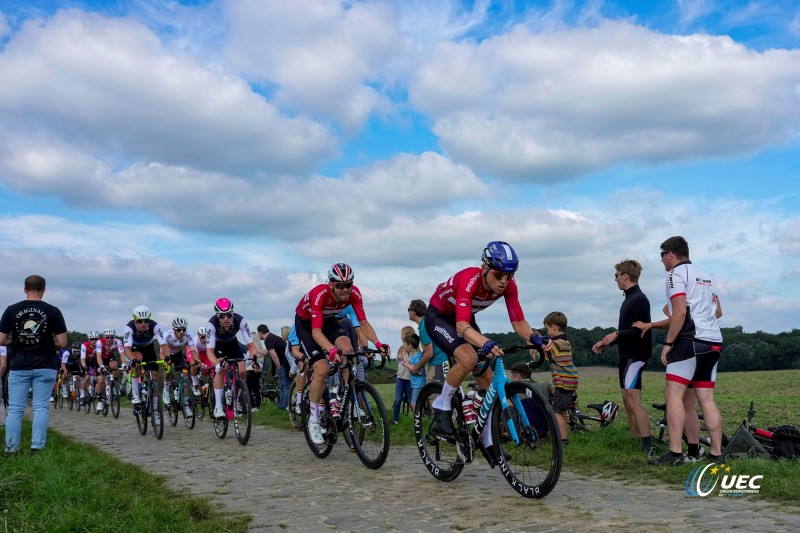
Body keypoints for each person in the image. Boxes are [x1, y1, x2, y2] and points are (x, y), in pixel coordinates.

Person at [425, 241, 539, 463]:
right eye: (499, 275)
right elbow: (461, 327)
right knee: (468, 358)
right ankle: (442, 403)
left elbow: (518, 321)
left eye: (510, 275)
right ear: (485, 268)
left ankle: (487, 439)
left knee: (487, 377)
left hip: (464, 319)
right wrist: (484, 343)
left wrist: (535, 338)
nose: (504, 281)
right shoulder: (469, 280)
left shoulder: (508, 285)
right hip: (440, 317)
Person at [634, 236, 725, 466]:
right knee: (706, 399)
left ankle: (675, 453)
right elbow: (718, 312)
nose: (662, 261)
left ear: (670, 255)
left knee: (673, 395)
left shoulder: (675, 275)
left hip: (689, 341)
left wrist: (669, 343)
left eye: (661, 256)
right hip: (713, 341)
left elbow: (680, 313)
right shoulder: (704, 275)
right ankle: (716, 454)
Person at [293, 263, 389, 445]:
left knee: (348, 350)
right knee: (321, 370)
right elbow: (316, 333)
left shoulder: (355, 294)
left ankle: (343, 393)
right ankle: (313, 419)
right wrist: (330, 350)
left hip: (329, 322)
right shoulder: (319, 294)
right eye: (340, 285)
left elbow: (363, 323)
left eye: (349, 284)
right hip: (307, 326)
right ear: (331, 284)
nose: (345, 289)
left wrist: (378, 343)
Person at [591, 259, 655, 455]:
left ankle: (647, 445)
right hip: (626, 355)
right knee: (627, 400)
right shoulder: (628, 298)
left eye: (616, 276)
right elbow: (629, 330)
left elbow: (640, 331)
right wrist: (609, 341)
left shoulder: (639, 299)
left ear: (625, 276)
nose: (615, 280)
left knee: (633, 401)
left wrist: (616, 334)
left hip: (635, 356)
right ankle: (637, 442)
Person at [0, 275, 68, 453]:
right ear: (44, 289)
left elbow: (0, 339)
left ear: (24, 289)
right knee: (40, 408)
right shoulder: (53, 311)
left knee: (15, 409)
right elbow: (62, 342)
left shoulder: (11, 310)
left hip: (19, 365)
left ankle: (11, 448)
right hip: (45, 365)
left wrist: (15, 340)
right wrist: (47, 341)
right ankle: (37, 447)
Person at [205, 298, 258, 419]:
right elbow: (209, 351)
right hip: (217, 346)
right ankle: (218, 406)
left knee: (243, 371)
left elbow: (251, 346)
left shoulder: (241, 321)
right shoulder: (211, 325)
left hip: (232, 344)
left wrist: (254, 360)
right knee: (222, 368)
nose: (226, 319)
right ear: (217, 315)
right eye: (222, 316)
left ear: (232, 314)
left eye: (229, 315)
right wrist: (216, 365)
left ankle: (239, 399)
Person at [532, 311, 577, 444]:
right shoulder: (561, 343)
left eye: (547, 329)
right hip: (566, 383)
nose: (547, 332)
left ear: (554, 327)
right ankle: (563, 437)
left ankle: (562, 441)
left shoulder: (560, 343)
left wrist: (536, 341)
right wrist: (538, 343)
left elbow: (543, 349)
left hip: (563, 384)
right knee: (561, 411)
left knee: (556, 412)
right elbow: (540, 355)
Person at [123, 305, 170, 416]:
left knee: (154, 378)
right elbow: (127, 349)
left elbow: (164, 345)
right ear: (135, 320)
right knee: (138, 360)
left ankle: (155, 411)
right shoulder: (129, 328)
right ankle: (135, 393)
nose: (143, 324)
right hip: (135, 348)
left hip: (149, 349)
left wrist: (168, 357)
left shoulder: (154, 326)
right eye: (140, 321)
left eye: (146, 321)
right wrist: (133, 360)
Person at [161, 317, 199, 418]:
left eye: (184, 329)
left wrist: (197, 360)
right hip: (167, 354)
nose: (182, 332)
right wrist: (166, 362)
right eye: (179, 330)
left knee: (185, 377)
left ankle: (186, 406)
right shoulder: (166, 336)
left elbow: (193, 350)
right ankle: (166, 389)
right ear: (174, 329)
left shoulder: (188, 335)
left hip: (178, 355)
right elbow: (162, 353)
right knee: (168, 369)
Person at [407, 299, 448, 383]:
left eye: (408, 310)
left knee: (432, 393)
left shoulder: (423, 327)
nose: (408, 312)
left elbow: (429, 353)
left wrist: (416, 367)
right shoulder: (428, 321)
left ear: (414, 312)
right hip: (444, 361)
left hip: (438, 363)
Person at [256, 324, 290, 410]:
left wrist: (279, 368)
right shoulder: (273, 337)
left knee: (286, 386)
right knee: (282, 386)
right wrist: (254, 348)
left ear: (260, 333)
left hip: (283, 364)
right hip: (286, 362)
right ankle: (281, 406)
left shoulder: (268, 340)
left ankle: (285, 405)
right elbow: (265, 352)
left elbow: (274, 356)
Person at [392, 326, 414, 424]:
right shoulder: (401, 348)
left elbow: (412, 361)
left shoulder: (413, 349)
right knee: (398, 400)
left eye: (402, 334)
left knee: (411, 401)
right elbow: (399, 359)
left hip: (409, 379)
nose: (400, 337)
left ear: (406, 336)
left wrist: (404, 359)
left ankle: (416, 419)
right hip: (400, 378)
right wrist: (398, 357)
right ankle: (395, 420)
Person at [403, 333, 425, 412]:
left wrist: (408, 365)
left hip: (418, 384)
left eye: (405, 344)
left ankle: (417, 422)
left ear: (410, 345)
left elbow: (420, 372)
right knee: (415, 403)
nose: (404, 346)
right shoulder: (413, 356)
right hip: (414, 384)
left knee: (414, 404)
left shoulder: (418, 356)